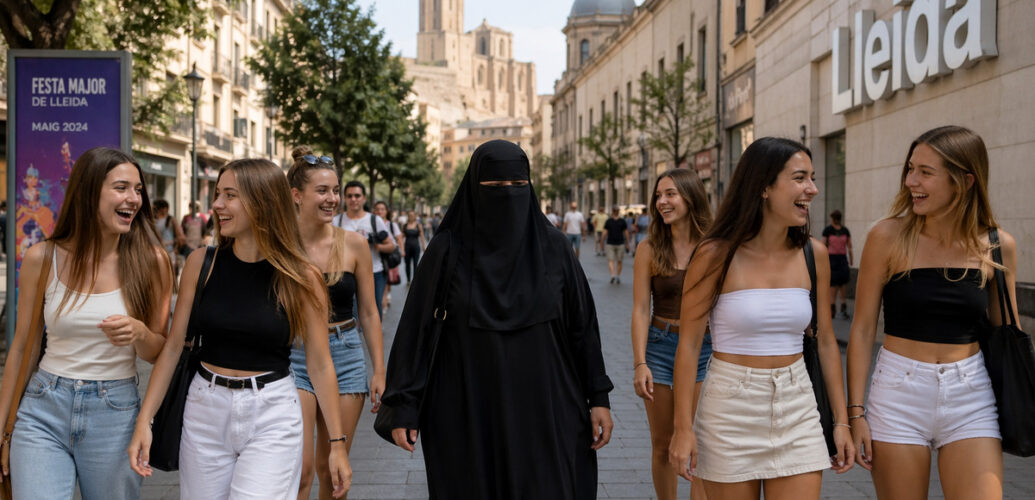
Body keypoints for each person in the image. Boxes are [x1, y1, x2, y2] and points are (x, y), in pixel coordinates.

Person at [381, 140, 614, 499]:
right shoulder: (447, 251)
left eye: (518, 188)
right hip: (466, 408)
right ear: (475, 190)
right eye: (494, 188)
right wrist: (403, 408)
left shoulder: (554, 249)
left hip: (546, 406)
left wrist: (598, 397)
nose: (507, 197)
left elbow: (583, 328)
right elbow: (416, 331)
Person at [126, 159, 351, 499]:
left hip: (272, 412)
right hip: (204, 409)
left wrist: (336, 444)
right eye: (218, 194)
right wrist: (145, 420)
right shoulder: (201, 263)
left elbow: (320, 364)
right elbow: (173, 349)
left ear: (263, 202)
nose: (217, 205)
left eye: (230, 195)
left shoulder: (301, 277)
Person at [669, 137, 854, 499]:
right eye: (800, 178)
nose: (812, 189)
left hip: (798, 404)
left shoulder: (813, 253)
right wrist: (682, 428)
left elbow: (828, 341)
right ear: (765, 187)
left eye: (813, 178)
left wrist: (842, 421)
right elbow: (689, 346)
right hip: (730, 408)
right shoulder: (714, 254)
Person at [846, 126, 1015, 499]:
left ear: (964, 180)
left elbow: (1008, 334)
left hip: (971, 393)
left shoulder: (996, 245)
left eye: (925, 172)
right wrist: (855, 413)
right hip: (898, 394)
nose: (910, 182)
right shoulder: (887, 236)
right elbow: (860, 330)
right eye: (910, 169)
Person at [0, 147, 173, 499]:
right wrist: (4, 428)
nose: (134, 199)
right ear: (89, 192)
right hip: (43, 407)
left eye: (138, 190)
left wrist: (139, 332)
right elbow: (22, 348)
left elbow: (159, 352)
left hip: (114, 412)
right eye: (122, 187)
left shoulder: (152, 261)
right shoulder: (42, 257)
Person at [287, 148, 385, 500]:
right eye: (323, 191)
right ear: (297, 196)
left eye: (336, 191)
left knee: (333, 474)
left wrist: (379, 370)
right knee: (300, 471)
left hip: (345, 355)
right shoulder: (280, 246)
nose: (333, 199)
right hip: (294, 358)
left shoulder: (355, 245)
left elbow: (370, 313)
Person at [631, 169, 714, 500]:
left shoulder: (714, 247)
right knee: (663, 442)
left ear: (691, 197)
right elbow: (640, 309)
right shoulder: (649, 248)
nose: (661, 202)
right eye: (658, 195)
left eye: (670, 194)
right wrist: (640, 363)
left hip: (706, 351)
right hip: (661, 347)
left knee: (700, 440)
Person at [333, 182, 396, 317]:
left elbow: (391, 246)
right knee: (351, 313)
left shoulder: (375, 220)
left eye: (357, 195)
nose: (353, 199)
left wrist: (376, 246)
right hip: (347, 274)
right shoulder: (336, 221)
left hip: (375, 273)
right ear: (344, 198)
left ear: (364, 198)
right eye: (349, 196)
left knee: (373, 311)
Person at [822, 210, 853, 319]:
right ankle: (832, 308)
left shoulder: (845, 230)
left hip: (842, 259)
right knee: (833, 284)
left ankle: (843, 307)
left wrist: (851, 260)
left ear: (834, 218)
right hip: (832, 259)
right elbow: (823, 246)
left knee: (843, 283)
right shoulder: (828, 230)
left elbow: (849, 246)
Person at [373, 201, 403, 310]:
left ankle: (384, 304)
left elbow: (399, 238)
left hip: (388, 257)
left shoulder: (391, 224)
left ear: (386, 211)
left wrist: (402, 250)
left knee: (387, 282)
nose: (380, 211)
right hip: (375, 257)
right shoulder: (371, 223)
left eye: (382, 209)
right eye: (377, 209)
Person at [153, 199, 186, 275]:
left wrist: (176, 249)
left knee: (169, 273)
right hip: (156, 251)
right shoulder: (153, 220)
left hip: (169, 251)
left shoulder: (171, 220)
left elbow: (180, 236)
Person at [604, 206, 630, 284]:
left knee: (619, 261)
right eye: (614, 210)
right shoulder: (608, 221)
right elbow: (605, 232)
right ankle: (613, 275)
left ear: (618, 211)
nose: (616, 211)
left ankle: (617, 276)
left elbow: (626, 232)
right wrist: (602, 241)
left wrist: (628, 243)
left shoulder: (622, 221)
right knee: (611, 260)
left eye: (616, 210)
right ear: (613, 211)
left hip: (620, 243)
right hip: (610, 243)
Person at [402, 209, 426, 284]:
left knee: (416, 264)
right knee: (407, 264)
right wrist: (401, 248)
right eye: (409, 215)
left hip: (416, 247)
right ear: (408, 216)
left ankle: (415, 280)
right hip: (407, 247)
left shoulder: (418, 225)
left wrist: (424, 247)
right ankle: (408, 280)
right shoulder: (405, 225)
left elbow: (422, 236)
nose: (411, 216)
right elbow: (401, 237)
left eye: (412, 215)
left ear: (415, 216)